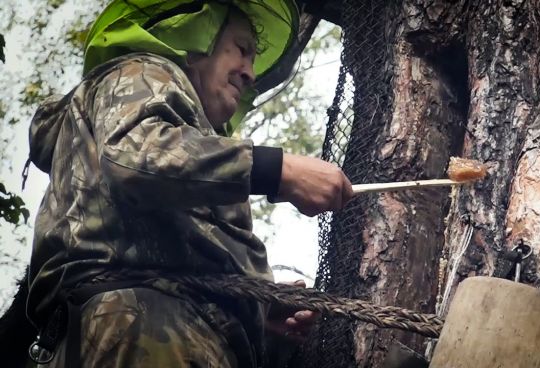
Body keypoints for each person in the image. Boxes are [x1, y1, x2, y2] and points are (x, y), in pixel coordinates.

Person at [24, 0, 353, 367]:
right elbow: (136, 156)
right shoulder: (143, 71)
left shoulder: (198, 155)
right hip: (141, 330)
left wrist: (256, 310)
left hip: (170, 337)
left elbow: (176, 251)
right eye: (242, 50)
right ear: (197, 37)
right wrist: (278, 170)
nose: (250, 73)